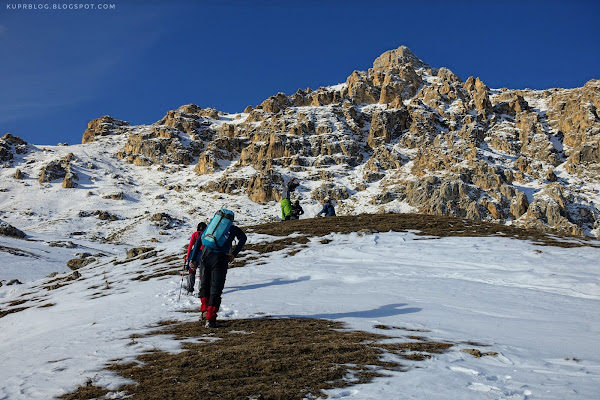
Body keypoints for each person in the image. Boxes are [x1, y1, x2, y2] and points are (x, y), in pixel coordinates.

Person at [190, 219, 247, 328]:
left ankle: (204, 312)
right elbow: (243, 238)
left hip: (205, 257)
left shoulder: (212, 227)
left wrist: (193, 258)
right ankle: (210, 319)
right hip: (220, 259)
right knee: (216, 288)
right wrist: (234, 254)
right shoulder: (232, 229)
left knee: (204, 285)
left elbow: (198, 241)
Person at [184, 222, 207, 295]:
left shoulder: (195, 234)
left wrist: (188, 256)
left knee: (192, 271)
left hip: (194, 254)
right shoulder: (206, 234)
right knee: (202, 273)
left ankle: (190, 289)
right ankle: (201, 289)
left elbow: (190, 245)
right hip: (204, 254)